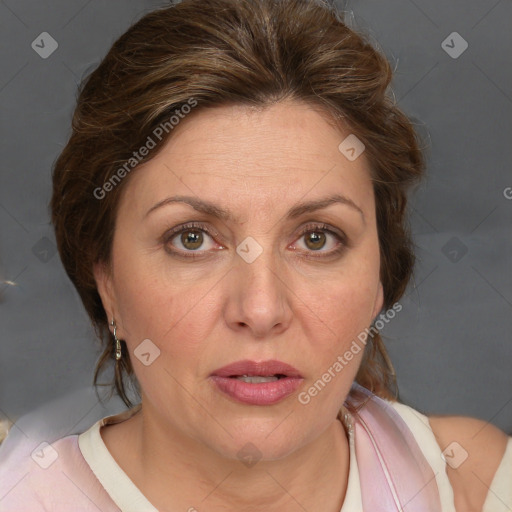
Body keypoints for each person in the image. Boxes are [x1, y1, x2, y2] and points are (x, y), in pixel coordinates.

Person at [0, 0, 510, 510]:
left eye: (317, 238)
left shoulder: (475, 482)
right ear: (107, 283)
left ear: (380, 278)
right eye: (192, 239)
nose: (261, 310)